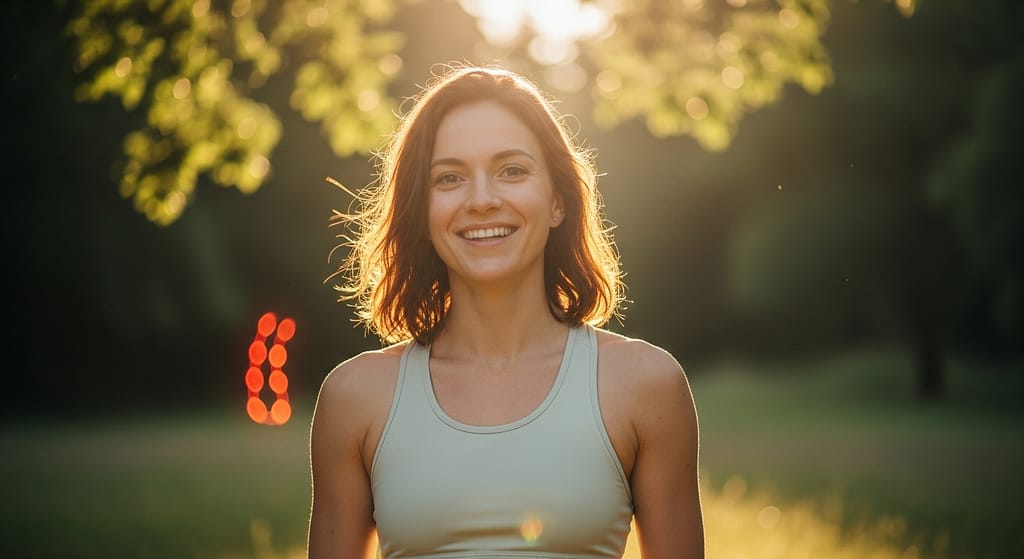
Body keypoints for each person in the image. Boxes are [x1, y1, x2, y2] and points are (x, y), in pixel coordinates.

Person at [307, 64, 704, 559]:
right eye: (449, 178)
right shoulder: (354, 399)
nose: (481, 200)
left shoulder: (646, 386)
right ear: (421, 210)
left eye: (512, 171)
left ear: (558, 201)